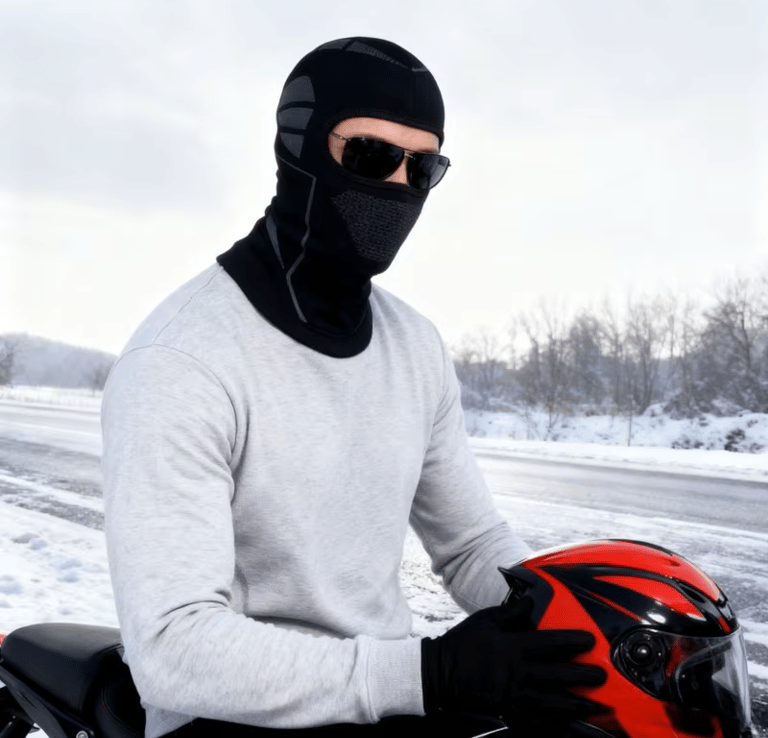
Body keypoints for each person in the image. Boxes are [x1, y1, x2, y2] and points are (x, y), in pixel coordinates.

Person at [101, 37, 605, 738]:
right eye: (369, 155)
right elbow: (173, 648)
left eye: (422, 167)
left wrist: (581, 630)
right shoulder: (182, 360)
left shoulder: (415, 345)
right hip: (225, 714)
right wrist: (432, 673)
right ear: (298, 147)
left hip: (381, 699)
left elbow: (470, 542)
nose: (398, 186)